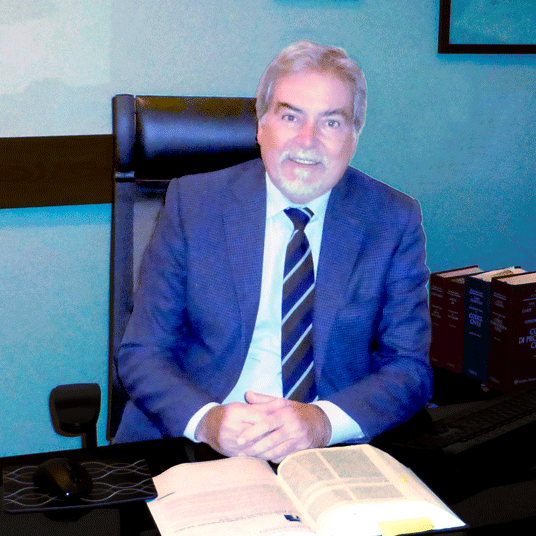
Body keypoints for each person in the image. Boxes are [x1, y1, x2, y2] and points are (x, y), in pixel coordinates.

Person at [114, 41, 433, 463]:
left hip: (327, 448)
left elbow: (409, 368)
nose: (307, 140)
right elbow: (142, 353)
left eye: (331, 122)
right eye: (290, 116)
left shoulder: (393, 220)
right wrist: (209, 421)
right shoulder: (193, 204)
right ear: (261, 126)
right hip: (197, 441)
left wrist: (321, 422)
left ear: (354, 137)